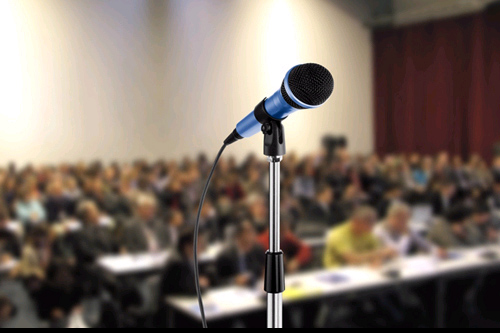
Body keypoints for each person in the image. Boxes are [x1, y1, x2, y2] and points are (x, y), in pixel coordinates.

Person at [323, 206, 396, 268]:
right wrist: (380, 253)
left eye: (373, 223)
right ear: (355, 222)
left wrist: (380, 257)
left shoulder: (367, 232)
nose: (372, 227)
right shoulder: (338, 234)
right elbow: (353, 260)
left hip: (362, 268)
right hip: (339, 270)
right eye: (368, 223)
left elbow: (378, 251)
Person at [374, 202, 441, 257]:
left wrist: (436, 250)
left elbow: (424, 245)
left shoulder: (407, 228)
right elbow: (398, 253)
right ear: (391, 217)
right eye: (401, 219)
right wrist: (405, 235)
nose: (405, 222)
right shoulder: (380, 230)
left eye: (406, 219)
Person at [160, 227, 212, 297]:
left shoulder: (192, 260)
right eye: (199, 243)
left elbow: (207, 280)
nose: (203, 247)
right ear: (187, 246)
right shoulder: (177, 263)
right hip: (173, 305)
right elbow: (188, 289)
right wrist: (199, 284)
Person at [216, 220, 264, 286]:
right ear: (238, 236)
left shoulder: (257, 251)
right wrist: (234, 280)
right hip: (233, 291)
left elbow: (259, 270)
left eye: (253, 232)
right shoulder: (225, 256)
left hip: (252, 289)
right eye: (248, 233)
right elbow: (218, 281)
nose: (252, 236)